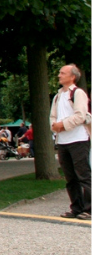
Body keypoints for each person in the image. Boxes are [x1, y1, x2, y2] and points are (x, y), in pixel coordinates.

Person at [49, 64, 91, 220]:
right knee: (70, 177)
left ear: (72, 76)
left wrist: (63, 125)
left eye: (62, 73)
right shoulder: (58, 96)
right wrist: (54, 126)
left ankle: (90, 208)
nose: (59, 75)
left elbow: (80, 115)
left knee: (84, 175)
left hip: (78, 139)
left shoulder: (78, 93)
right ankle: (76, 207)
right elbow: (52, 116)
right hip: (63, 141)